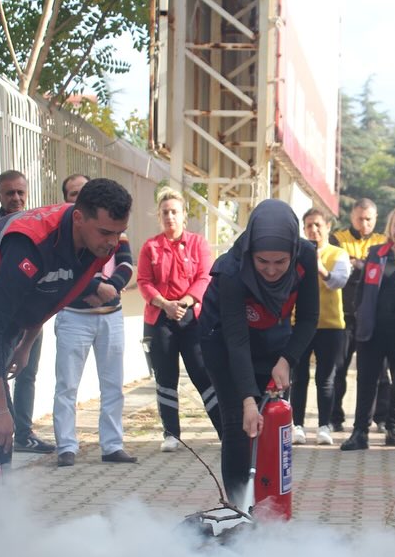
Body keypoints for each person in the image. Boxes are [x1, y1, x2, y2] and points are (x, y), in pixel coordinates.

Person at [0, 179, 132, 532]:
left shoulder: (93, 243)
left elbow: (50, 295)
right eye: (105, 232)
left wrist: (24, 346)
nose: (112, 243)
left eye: (119, 233)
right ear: (79, 217)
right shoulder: (31, 242)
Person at [199, 199, 319, 502]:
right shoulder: (231, 271)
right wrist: (248, 400)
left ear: (293, 251)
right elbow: (236, 341)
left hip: (273, 338)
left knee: (273, 425)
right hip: (223, 342)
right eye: (262, 261)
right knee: (239, 424)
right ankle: (238, 508)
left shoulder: (306, 255)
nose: (271, 270)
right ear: (250, 252)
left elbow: (308, 318)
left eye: (280, 262)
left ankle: (270, 506)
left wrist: (287, 360)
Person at [136, 188, 223, 453]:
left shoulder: (198, 244)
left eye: (174, 212)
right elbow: (144, 282)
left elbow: (205, 277)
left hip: (192, 317)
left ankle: (226, 431)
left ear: (184, 215)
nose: (169, 217)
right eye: (165, 212)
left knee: (203, 374)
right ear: (159, 216)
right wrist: (165, 304)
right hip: (159, 318)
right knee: (165, 376)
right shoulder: (150, 247)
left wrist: (184, 302)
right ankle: (171, 434)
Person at [52, 229, 137, 467]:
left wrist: (109, 288)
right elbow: (63, 269)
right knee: (67, 385)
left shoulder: (116, 230)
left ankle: (112, 445)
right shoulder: (67, 232)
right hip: (73, 316)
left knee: (113, 385)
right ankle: (66, 446)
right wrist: (95, 288)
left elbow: (126, 265)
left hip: (111, 315)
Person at [340, 205, 395, 451]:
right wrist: (359, 314)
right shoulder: (376, 253)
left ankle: (393, 427)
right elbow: (361, 290)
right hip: (372, 331)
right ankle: (360, 432)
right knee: (366, 382)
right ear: (389, 227)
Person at [0, 170, 55, 454]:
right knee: (1, 375)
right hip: (4, 317)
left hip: (33, 314)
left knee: (28, 373)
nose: (16, 198)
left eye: (20, 192)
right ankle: (3, 436)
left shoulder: (36, 224)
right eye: (10, 193)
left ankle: (24, 433)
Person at [291, 208, 350, 446]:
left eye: (318, 225)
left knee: (326, 378)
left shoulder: (338, 254)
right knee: (299, 377)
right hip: (299, 324)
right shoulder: (296, 253)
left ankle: (324, 425)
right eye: (308, 226)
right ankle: (297, 425)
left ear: (328, 227)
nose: (313, 230)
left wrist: (320, 267)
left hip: (330, 325)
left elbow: (339, 281)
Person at [330, 198, 388, 432]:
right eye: (359, 219)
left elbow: (381, 271)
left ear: (376, 219)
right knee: (338, 369)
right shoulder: (338, 239)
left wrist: (356, 264)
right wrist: (364, 265)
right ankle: (334, 417)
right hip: (344, 316)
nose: (364, 224)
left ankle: (382, 418)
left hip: (372, 316)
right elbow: (339, 269)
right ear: (352, 217)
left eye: (368, 219)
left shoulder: (383, 241)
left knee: (380, 372)